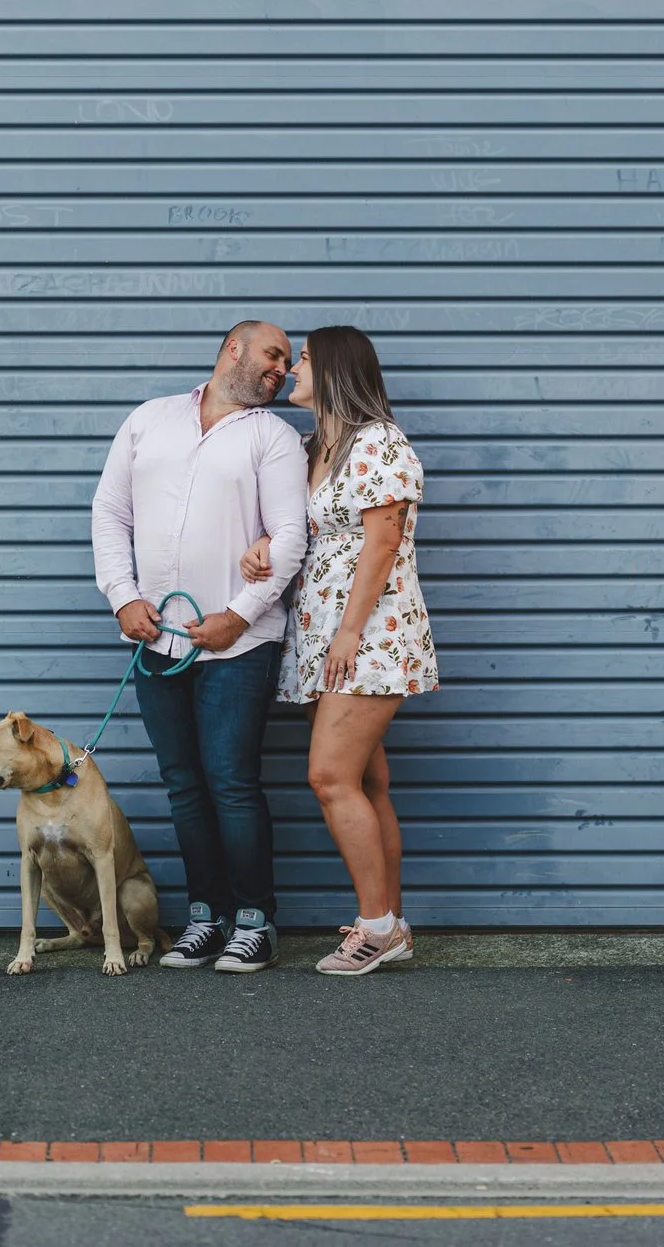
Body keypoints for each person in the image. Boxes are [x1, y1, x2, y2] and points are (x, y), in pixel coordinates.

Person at [91, 320, 308, 973]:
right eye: (274, 356)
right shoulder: (149, 420)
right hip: (159, 641)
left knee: (231, 782)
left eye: (290, 364)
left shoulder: (274, 437)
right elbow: (109, 512)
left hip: (239, 646)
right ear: (234, 349)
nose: (283, 370)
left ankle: (254, 921)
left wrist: (238, 618)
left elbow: (291, 536)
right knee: (184, 784)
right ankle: (205, 917)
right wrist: (123, 596)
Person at [241, 325, 437, 976]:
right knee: (366, 779)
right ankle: (392, 923)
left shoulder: (378, 442)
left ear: (334, 370)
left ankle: (376, 925)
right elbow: (304, 530)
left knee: (328, 776)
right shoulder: (312, 446)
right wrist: (266, 546)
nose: (291, 368)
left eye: (302, 358)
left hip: (370, 635)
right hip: (326, 635)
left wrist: (350, 632)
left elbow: (382, 543)